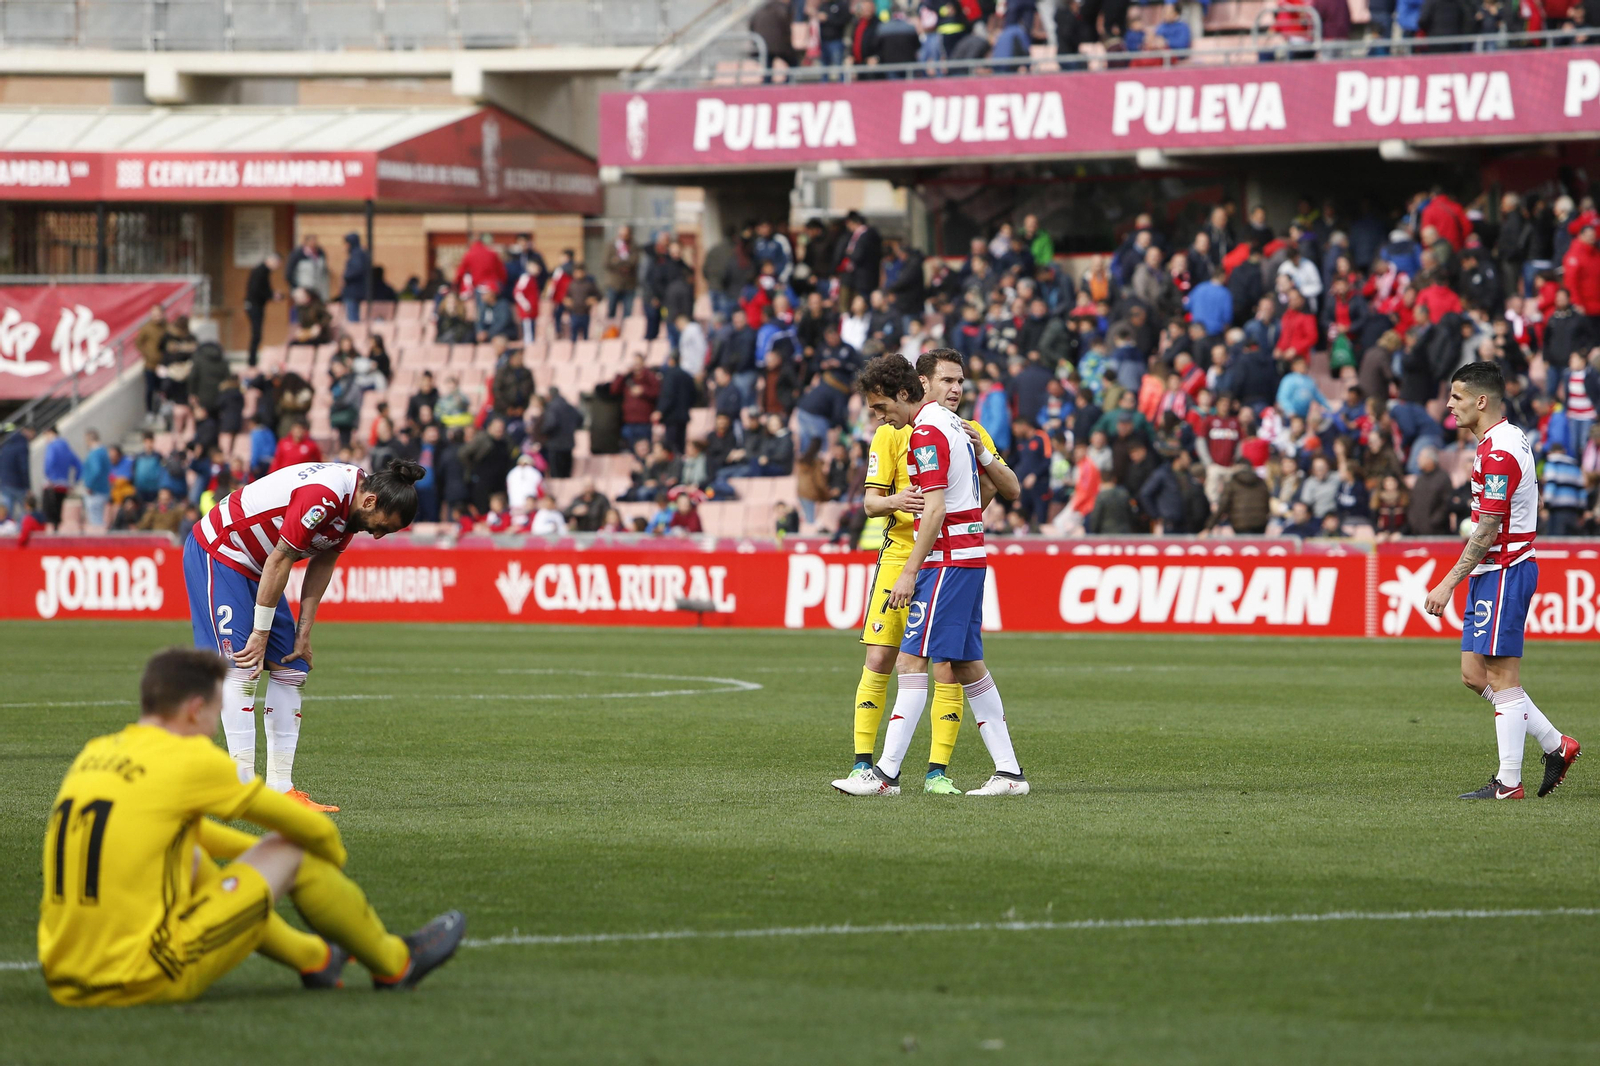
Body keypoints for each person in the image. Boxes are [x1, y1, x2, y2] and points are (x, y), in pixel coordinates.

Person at [37, 646, 464, 1006]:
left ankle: (315, 958)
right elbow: (313, 830)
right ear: (193, 710)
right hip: (138, 975)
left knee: (194, 856)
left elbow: (183, 832)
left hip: (61, 972)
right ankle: (396, 964)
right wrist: (328, 858)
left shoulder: (95, 753)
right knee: (293, 850)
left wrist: (249, 857)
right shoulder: (190, 759)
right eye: (216, 709)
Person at [834, 355, 1028, 798]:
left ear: (905, 393)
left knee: (910, 660)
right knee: (964, 664)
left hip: (946, 560)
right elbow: (984, 488)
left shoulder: (926, 431)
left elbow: (935, 508)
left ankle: (883, 776)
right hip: (967, 555)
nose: (880, 418)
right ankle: (1010, 772)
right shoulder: (951, 425)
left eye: (882, 407)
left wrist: (909, 572)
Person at [184, 458, 426, 811]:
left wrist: (304, 632)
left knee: (293, 668)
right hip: (222, 552)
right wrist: (260, 634)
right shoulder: (323, 497)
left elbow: (323, 562)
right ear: (370, 502)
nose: (376, 535)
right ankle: (241, 789)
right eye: (381, 527)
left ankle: (281, 789)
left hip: (260, 565)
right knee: (243, 665)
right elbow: (282, 559)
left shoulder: (354, 504)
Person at [1422, 362, 1581, 801]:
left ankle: (1508, 782)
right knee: (1475, 675)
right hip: (1494, 569)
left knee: (1503, 677)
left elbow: (1489, 527)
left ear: (1481, 400)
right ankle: (1556, 744)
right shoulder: (1505, 439)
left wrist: (1448, 582)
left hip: (1506, 570)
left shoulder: (1498, 452)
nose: (1449, 405)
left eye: (1456, 397)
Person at [245, 252, 282, 367]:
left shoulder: (264, 271)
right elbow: (257, 290)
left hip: (257, 305)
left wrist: (272, 295)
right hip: (254, 305)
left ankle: (252, 360)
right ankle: (252, 361)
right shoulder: (260, 271)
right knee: (256, 334)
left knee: (257, 334)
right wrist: (271, 295)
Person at [40, 426, 81, 530]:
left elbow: (49, 462)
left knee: (48, 514)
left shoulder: (52, 446)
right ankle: (56, 531)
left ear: (50, 432)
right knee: (58, 512)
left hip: (51, 484)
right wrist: (75, 481)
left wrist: (48, 476)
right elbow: (79, 465)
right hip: (63, 485)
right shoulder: (66, 446)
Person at [340, 233, 370, 324]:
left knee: (353, 321)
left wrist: (346, 276)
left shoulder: (357, 253)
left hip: (353, 291)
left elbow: (357, 269)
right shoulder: (360, 253)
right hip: (356, 290)